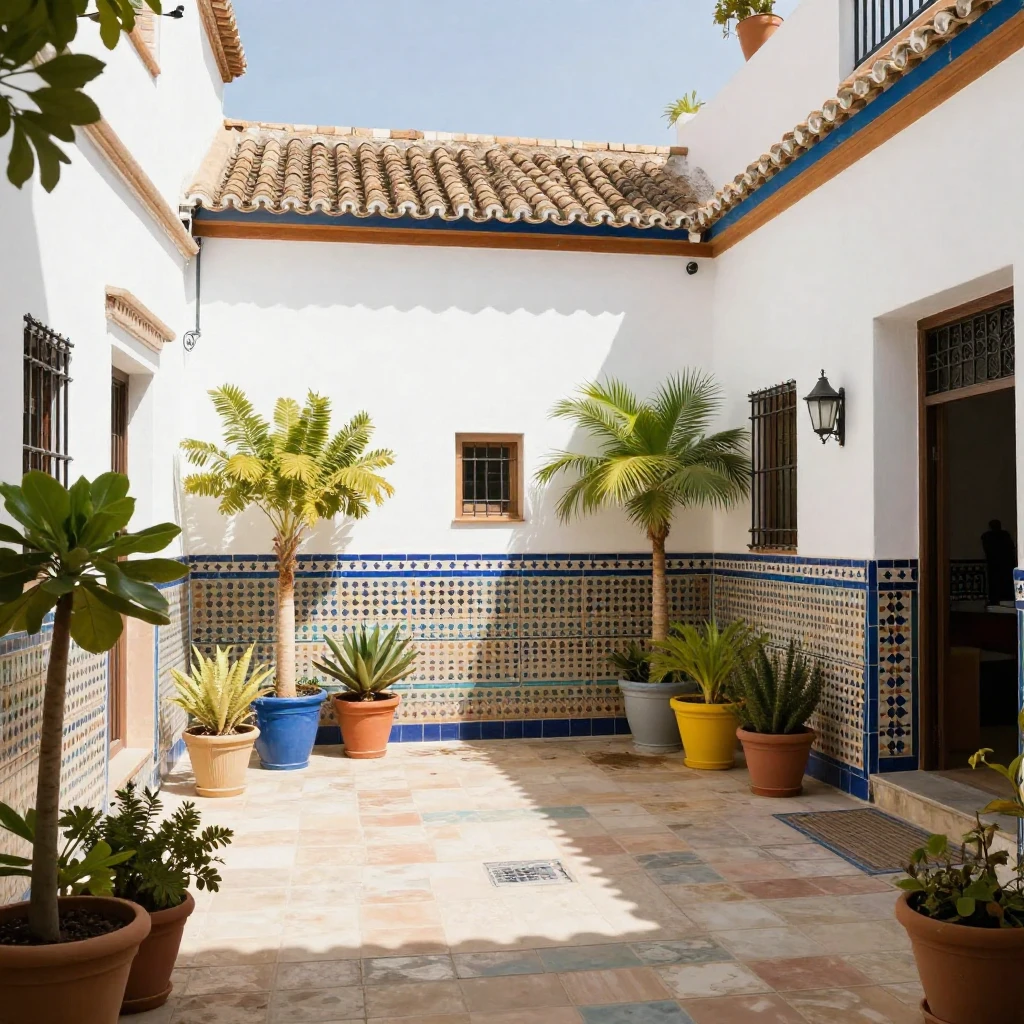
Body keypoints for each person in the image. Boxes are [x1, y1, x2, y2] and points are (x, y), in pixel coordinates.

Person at [981, 519, 1016, 605]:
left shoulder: (987, 536)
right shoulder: (1004, 535)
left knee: (996, 585)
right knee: (1004, 585)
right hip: (1004, 566)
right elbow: (1011, 548)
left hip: (995, 566)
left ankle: (996, 599)